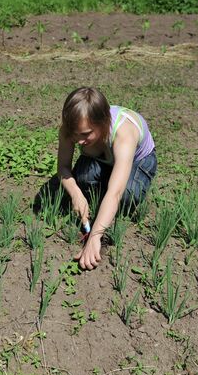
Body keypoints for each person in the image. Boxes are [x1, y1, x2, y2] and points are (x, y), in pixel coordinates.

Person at [56, 87, 157, 270]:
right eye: (75, 134)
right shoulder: (71, 129)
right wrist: (76, 194)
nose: (78, 141)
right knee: (82, 180)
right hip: (102, 156)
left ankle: (113, 188)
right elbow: (63, 168)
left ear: (103, 123)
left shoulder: (124, 133)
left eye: (86, 134)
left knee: (128, 194)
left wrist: (94, 238)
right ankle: (107, 184)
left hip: (137, 160)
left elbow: (115, 192)